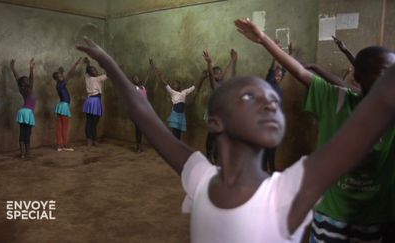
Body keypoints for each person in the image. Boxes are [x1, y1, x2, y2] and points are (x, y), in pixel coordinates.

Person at [76, 36, 395, 242]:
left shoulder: (287, 193)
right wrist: (107, 61)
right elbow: (144, 114)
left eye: (273, 99)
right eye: (250, 97)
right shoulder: (200, 177)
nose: (271, 102)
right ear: (216, 122)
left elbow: (375, 110)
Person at [234, 18, 395, 242]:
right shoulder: (336, 100)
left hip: (378, 219)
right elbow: (300, 72)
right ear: (359, 78)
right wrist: (262, 39)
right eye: (385, 73)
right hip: (332, 216)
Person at [202, 49, 238, 162]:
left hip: (222, 116)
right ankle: (209, 155)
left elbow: (228, 72)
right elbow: (212, 76)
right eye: (215, 72)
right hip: (213, 115)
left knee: (219, 137)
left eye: (219, 72)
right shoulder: (215, 85)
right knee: (212, 135)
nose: (218, 74)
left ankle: (216, 157)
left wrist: (232, 60)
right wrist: (209, 63)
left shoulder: (224, 85)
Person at [153, 63, 205, 140]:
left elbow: (194, 86)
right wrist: (159, 74)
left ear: (179, 85)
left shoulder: (184, 92)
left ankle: (177, 145)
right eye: (173, 84)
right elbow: (165, 83)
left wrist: (201, 78)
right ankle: (174, 146)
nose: (174, 85)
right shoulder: (172, 92)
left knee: (179, 133)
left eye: (176, 84)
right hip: (175, 115)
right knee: (175, 132)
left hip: (181, 115)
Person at [262, 41, 292, 172]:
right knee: (265, 149)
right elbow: (272, 68)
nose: (278, 76)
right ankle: (265, 171)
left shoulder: (278, 87)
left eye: (280, 76)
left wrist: (289, 54)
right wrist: (275, 52)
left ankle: (271, 169)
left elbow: (285, 68)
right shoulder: (268, 83)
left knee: (272, 148)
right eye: (276, 74)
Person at [52, 57, 82, 152]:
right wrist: (75, 65)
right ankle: (64, 145)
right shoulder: (61, 84)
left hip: (61, 105)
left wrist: (61, 72)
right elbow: (70, 75)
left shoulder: (58, 84)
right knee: (64, 127)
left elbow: (65, 76)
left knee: (60, 126)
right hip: (64, 106)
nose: (62, 76)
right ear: (58, 78)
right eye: (60, 76)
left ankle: (60, 146)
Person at [11, 58, 36, 159]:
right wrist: (31, 68)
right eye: (26, 80)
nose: (28, 80)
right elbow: (31, 78)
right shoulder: (29, 89)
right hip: (27, 112)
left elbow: (17, 79)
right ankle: (28, 153)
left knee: (22, 133)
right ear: (25, 83)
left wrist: (13, 68)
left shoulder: (22, 89)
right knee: (27, 133)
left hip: (22, 112)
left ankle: (22, 154)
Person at [130, 59, 155, 152]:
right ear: (132, 81)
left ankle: (141, 145)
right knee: (138, 129)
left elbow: (147, 77)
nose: (135, 79)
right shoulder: (133, 88)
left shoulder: (142, 86)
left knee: (144, 128)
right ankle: (138, 146)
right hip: (138, 110)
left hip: (145, 110)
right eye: (134, 78)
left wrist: (150, 67)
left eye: (137, 77)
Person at [83, 57, 108, 146]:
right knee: (94, 122)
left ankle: (89, 139)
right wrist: (116, 67)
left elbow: (87, 71)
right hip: (95, 101)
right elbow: (109, 74)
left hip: (89, 101)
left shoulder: (87, 77)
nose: (95, 70)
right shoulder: (98, 78)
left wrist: (88, 63)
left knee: (89, 121)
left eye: (95, 69)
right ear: (91, 73)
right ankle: (94, 140)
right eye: (93, 70)